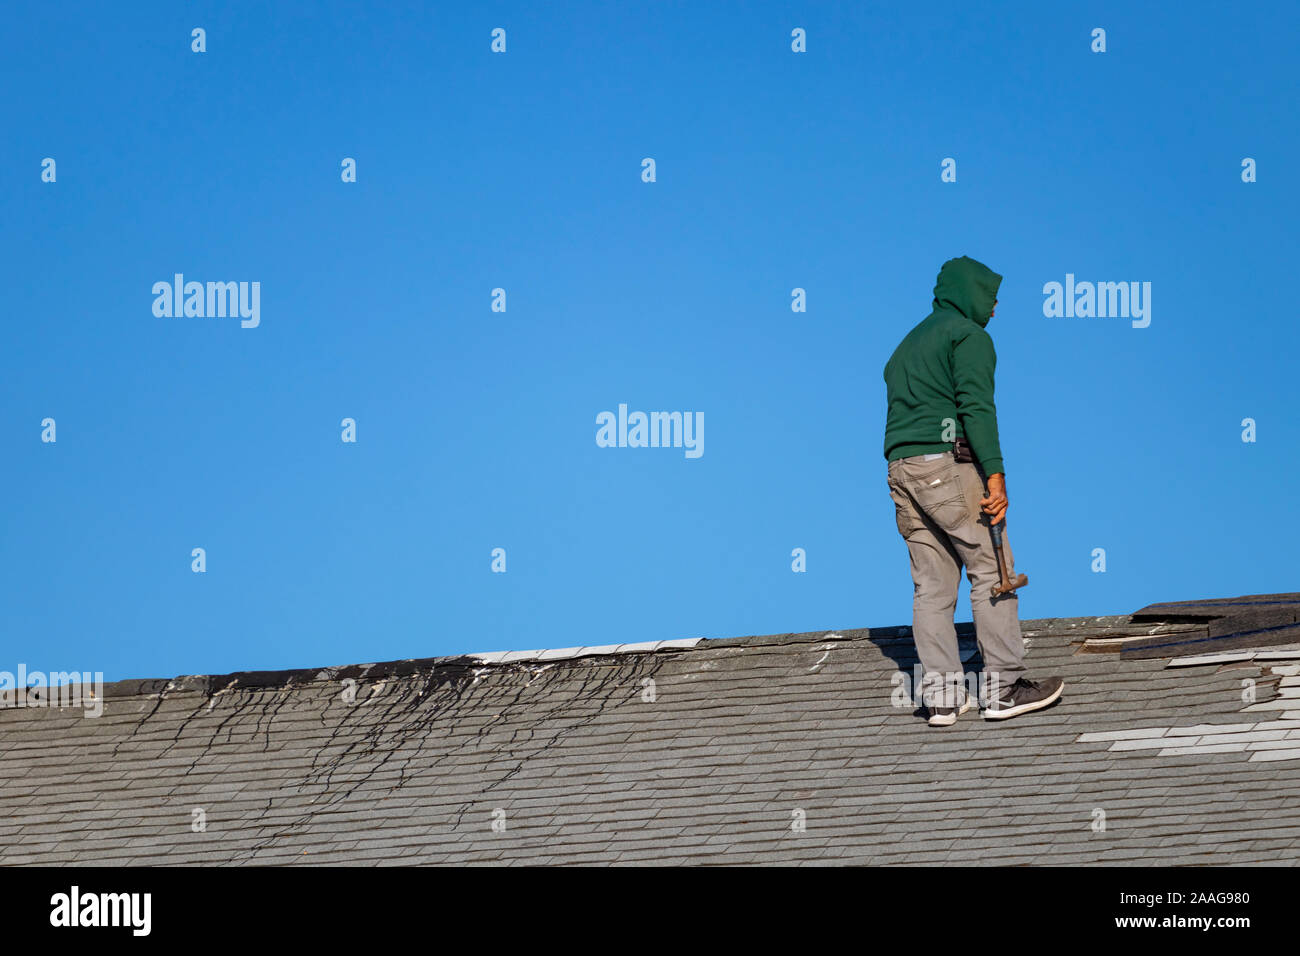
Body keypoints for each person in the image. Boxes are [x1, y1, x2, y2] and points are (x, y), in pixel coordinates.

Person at [882, 255, 1064, 726]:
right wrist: (996, 474)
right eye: (991, 297)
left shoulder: (906, 346)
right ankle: (1003, 687)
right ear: (969, 294)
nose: (996, 308)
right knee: (992, 570)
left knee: (932, 585)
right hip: (947, 465)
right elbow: (977, 407)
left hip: (901, 470)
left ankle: (942, 697)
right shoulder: (968, 336)